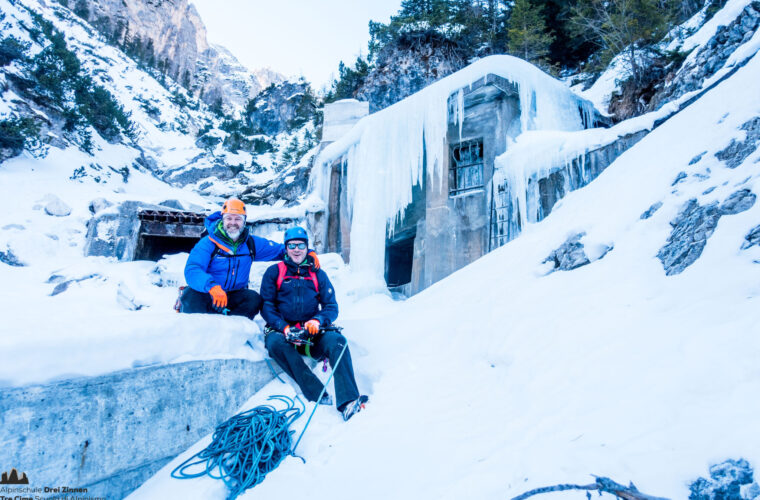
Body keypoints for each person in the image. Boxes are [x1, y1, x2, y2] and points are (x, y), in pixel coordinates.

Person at [260, 226, 368, 421]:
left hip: (311, 332)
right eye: (291, 245)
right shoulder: (274, 272)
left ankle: (348, 401)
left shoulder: (318, 274)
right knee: (274, 344)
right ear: (286, 248)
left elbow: (331, 306)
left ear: (307, 247)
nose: (296, 249)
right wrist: (284, 327)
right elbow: (266, 306)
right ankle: (317, 393)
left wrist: (317, 321)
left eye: (300, 245)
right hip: (283, 331)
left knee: (337, 341)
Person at [181, 198, 319, 319]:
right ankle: (199, 331)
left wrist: (308, 253)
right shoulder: (208, 243)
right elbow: (193, 269)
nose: (233, 223)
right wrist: (212, 287)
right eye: (229, 218)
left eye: (238, 219)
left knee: (253, 299)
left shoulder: (250, 243)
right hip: (209, 293)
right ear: (222, 220)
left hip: (233, 295)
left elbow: (281, 250)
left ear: (244, 221)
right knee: (190, 296)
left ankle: (234, 330)